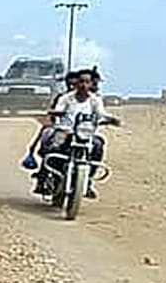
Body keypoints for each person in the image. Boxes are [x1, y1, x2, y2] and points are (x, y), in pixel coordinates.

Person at [35, 69, 120, 198]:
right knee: (53, 147)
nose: (83, 85)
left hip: (85, 133)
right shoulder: (66, 98)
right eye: (81, 81)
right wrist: (56, 113)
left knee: (98, 145)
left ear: (91, 84)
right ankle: (44, 177)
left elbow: (101, 113)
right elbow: (58, 109)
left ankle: (88, 181)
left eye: (87, 82)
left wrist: (111, 119)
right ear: (76, 83)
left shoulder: (95, 100)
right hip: (65, 131)